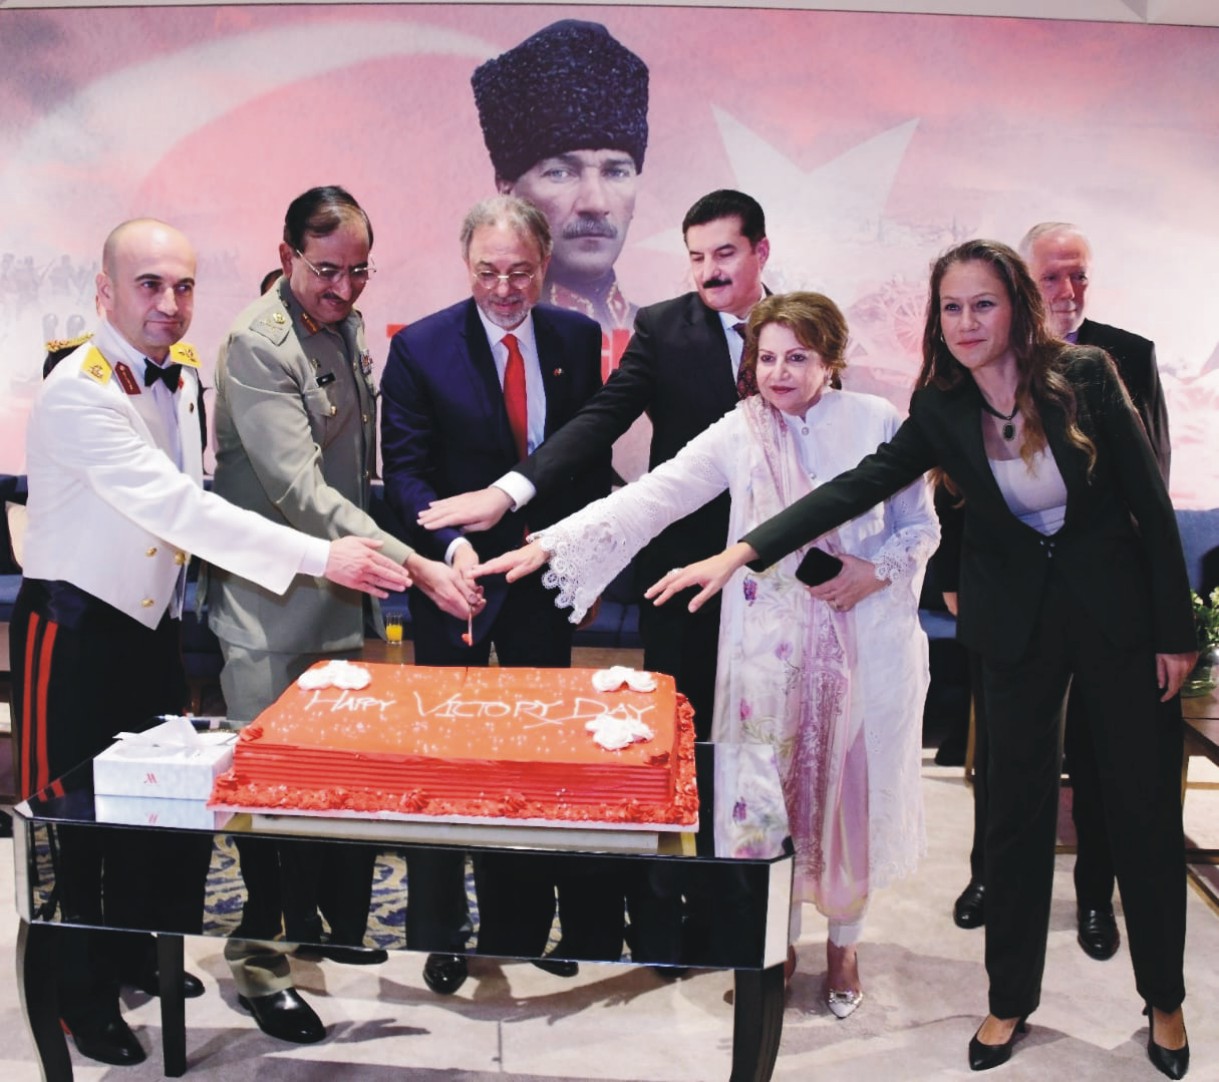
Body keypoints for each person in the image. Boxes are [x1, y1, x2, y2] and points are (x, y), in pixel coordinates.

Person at [652, 240, 1194, 1079]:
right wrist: (743, 551)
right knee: (1008, 818)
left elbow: (1149, 505)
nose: (967, 321)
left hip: (1117, 620)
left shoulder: (1084, 374)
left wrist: (1175, 631)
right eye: (951, 307)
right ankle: (1008, 999)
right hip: (1014, 627)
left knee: (1140, 809)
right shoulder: (941, 404)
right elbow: (855, 487)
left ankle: (1163, 1000)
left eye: (983, 303)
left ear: (1013, 304)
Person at [9, 218, 409, 1067]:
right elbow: (178, 507)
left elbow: (192, 489)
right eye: (149, 284)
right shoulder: (79, 389)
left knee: (152, 812)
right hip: (73, 630)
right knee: (72, 825)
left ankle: (130, 955)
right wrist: (319, 554)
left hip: (151, 626)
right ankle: (75, 995)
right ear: (104, 291)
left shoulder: (183, 375)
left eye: (184, 286)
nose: (169, 303)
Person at [478, 291, 937, 1014]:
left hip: (865, 640)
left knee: (850, 799)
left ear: (832, 360)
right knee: (769, 801)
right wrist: (549, 545)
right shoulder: (741, 429)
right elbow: (655, 496)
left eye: (798, 357)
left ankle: (844, 949)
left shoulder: (877, 423)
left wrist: (873, 572)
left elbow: (919, 526)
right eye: (766, 357)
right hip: (765, 649)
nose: (779, 373)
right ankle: (775, 948)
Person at [207, 186, 477, 1045]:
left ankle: (310, 929)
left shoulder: (345, 326)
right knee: (263, 800)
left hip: (336, 599)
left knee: (322, 784)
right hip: (268, 608)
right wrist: (416, 565)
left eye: (359, 272)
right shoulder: (258, 344)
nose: (344, 289)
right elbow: (301, 491)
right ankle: (258, 966)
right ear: (285, 252)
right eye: (326, 271)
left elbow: (354, 467)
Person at [419, 189, 772, 740]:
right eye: (697, 257)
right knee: (684, 732)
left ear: (761, 251)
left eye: (724, 254)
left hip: (781, 563)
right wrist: (510, 490)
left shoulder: (805, 329)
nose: (709, 272)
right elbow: (597, 421)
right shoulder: (662, 329)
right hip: (683, 568)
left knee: (780, 730)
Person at [380, 194, 618, 993]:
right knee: (444, 764)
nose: (505, 289)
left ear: (544, 265)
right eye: (488, 271)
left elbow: (582, 463)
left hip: (542, 576)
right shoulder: (418, 347)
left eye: (520, 271)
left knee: (538, 756)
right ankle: (441, 932)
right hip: (450, 578)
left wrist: (583, 563)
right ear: (466, 264)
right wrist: (444, 553)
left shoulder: (578, 338)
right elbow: (406, 474)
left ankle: (525, 918)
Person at [952, 222, 1175, 958]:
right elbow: (952, 477)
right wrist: (951, 573)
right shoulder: (972, 356)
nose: (1069, 291)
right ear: (1022, 284)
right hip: (1009, 599)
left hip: (1103, 601)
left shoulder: (1121, 358)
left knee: (1103, 760)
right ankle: (990, 878)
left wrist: (1159, 612)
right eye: (1053, 277)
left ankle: (1095, 900)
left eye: (1079, 276)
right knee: (1008, 761)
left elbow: (1151, 485)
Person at [471, 19, 647, 339]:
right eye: (561, 173)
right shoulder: (470, 343)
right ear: (507, 193)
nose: (595, 203)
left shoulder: (663, 343)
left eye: (616, 171)